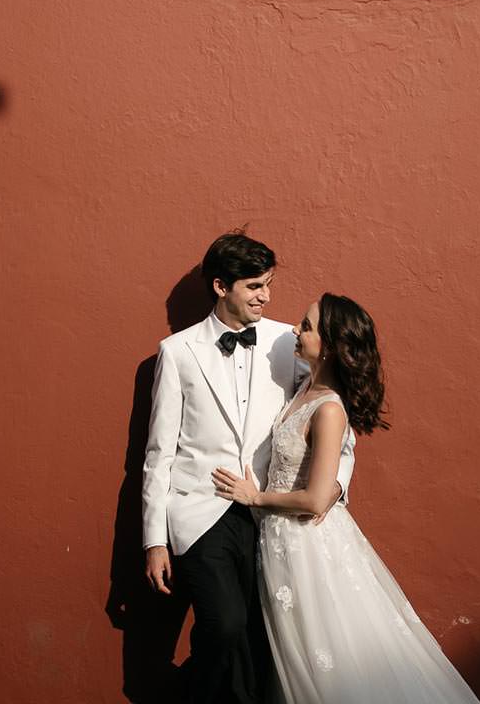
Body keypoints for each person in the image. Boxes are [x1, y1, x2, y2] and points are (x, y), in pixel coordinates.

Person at [212, 294, 480, 704]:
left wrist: (256, 497)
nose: (294, 331)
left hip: (306, 547)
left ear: (333, 345)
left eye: (305, 326)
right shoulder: (303, 384)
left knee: (325, 658)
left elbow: (318, 499)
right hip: (279, 544)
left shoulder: (329, 408)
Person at [142, 233, 343, 703]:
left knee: (262, 635)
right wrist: (154, 540)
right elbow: (159, 453)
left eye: (268, 284)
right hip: (199, 512)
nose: (265, 296)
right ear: (220, 286)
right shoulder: (177, 352)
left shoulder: (283, 341)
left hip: (267, 511)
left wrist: (336, 487)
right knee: (226, 625)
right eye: (254, 286)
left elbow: (328, 410)